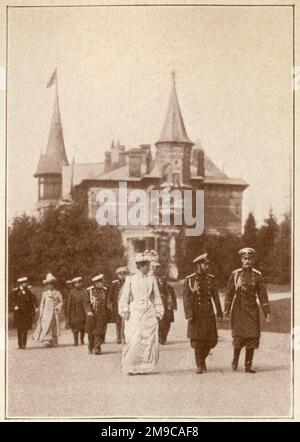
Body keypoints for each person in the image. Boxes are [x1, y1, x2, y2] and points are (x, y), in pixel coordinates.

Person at [224, 247, 271, 374]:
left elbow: (262, 294)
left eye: (249, 259)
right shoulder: (235, 275)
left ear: (252, 260)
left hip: (252, 310)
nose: (247, 261)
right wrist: (226, 310)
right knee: (239, 338)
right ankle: (235, 359)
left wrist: (267, 312)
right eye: (245, 259)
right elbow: (229, 293)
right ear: (241, 260)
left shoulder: (257, 275)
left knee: (252, 337)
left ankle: (248, 365)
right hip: (238, 310)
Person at [118, 252, 164, 375]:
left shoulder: (152, 279)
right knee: (134, 339)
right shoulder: (130, 279)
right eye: (146, 265)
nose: (148, 267)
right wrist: (124, 310)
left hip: (148, 312)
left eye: (148, 265)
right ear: (140, 266)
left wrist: (159, 311)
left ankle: (143, 367)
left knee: (147, 340)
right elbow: (124, 297)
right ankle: (130, 366)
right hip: (134, 312)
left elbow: (157, 297)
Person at [183, 253, 223, 374]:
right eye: (205, 264)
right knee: (197, 341)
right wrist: (189, 314)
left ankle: (202, 359)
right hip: (196, 315)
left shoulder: (211, 279)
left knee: (212, 341)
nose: (207, 266)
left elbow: (215, 297)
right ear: (199, 265)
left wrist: (219, 312)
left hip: (208, 314)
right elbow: (186, 298)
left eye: (207, 264)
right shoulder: (190, 280)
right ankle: (199, 364)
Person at [33, 273, 63, 347]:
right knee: (46, 326)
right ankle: (47, 341)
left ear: (53, 285)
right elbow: (42, 304)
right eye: (48, 284)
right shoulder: (45, 294)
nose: (50, 286)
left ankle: (54, 341)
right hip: (46, 313)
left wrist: (58, 307)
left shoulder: (58, 293)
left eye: (51, 284)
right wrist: (41, 314)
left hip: (54, 313)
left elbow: (61, 302)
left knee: (54, 327)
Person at [151, 262, 177, 345]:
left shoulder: (163, 278)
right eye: (153, 267)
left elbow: (169, 290)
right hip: (153, 303)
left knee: (167, 321)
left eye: (157, 267)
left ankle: (163, 336)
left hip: (165, 302)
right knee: (156, 321)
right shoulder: (147, 279)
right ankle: (159, 337)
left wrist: (171, 303)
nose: (155, 269)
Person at [84, 274, 110, 355]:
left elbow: (107, 302)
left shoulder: (105, 290)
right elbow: (86, 303)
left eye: (102, 281)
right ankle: (91, 346)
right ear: (96, 283)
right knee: (91, 332)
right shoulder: (89, 291)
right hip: (92, 315)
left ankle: (97, 347)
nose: (102, 283)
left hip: (101, 314)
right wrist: (88, 311)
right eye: (101, 282)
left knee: (100, 331)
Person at [12, 277, 38, 349]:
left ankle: (24, 344)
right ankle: (20, 344)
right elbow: (11, 301)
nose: (26, 284)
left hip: (26, 313)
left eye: (26, 283)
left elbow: (31, 302)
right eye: (24, 283)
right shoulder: (15, 292)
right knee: (19, 329)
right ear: (21, 283)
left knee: (25, 328)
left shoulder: (28, 292)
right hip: (19, 313)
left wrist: (33, 311)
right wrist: (14, 306)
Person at [107, 267, 127, 344]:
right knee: (118, 322)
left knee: (126, 321)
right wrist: (109, 303)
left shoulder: (129, 282)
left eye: (123, 274)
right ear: (117, 275)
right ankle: (118, 337)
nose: (122, 276)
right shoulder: (114, 284)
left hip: (126, 305)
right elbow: (110, 295)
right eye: (120, 274)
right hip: (117, 306)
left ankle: (125, 337)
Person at [67, 276, 86, 346]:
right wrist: (68, 314)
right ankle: (75, 341)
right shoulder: (71, 292)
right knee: (75, 328)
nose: (79, 284)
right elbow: (69, 304)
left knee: (83, 327)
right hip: (74, 312)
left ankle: (82, 340)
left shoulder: (84, 291)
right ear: (74, 284)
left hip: (83, 311)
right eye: (77, 283)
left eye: (80, 283)